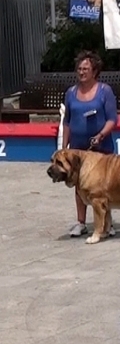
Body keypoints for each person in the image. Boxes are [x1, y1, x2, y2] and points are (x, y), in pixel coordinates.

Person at [62, 50, 118, 237]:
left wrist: (101, 134)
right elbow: (67, 121)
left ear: (94, 71)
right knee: (80, 185)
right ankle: (80, 222)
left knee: (104, 186)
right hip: (78, 148)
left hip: (101, 148)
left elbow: (112, 119)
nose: (81, 72)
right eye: (79, 69)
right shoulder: (71, 92)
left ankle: (105, 224)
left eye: (86, 69)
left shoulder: (104, 91)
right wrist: (64, 147)